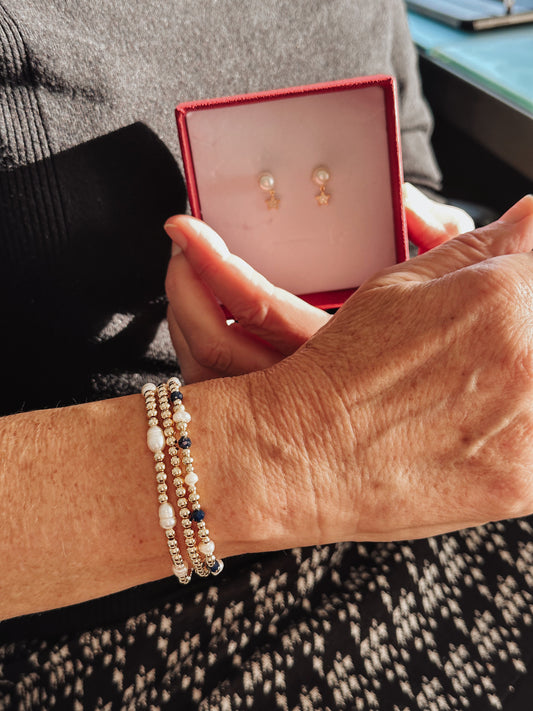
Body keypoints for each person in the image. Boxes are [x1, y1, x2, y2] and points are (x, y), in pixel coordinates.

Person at [1, 1, 532, 709]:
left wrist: (431, 270)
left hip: (438, 481)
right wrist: (293, 440)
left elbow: (410, 158)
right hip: (117, 623)